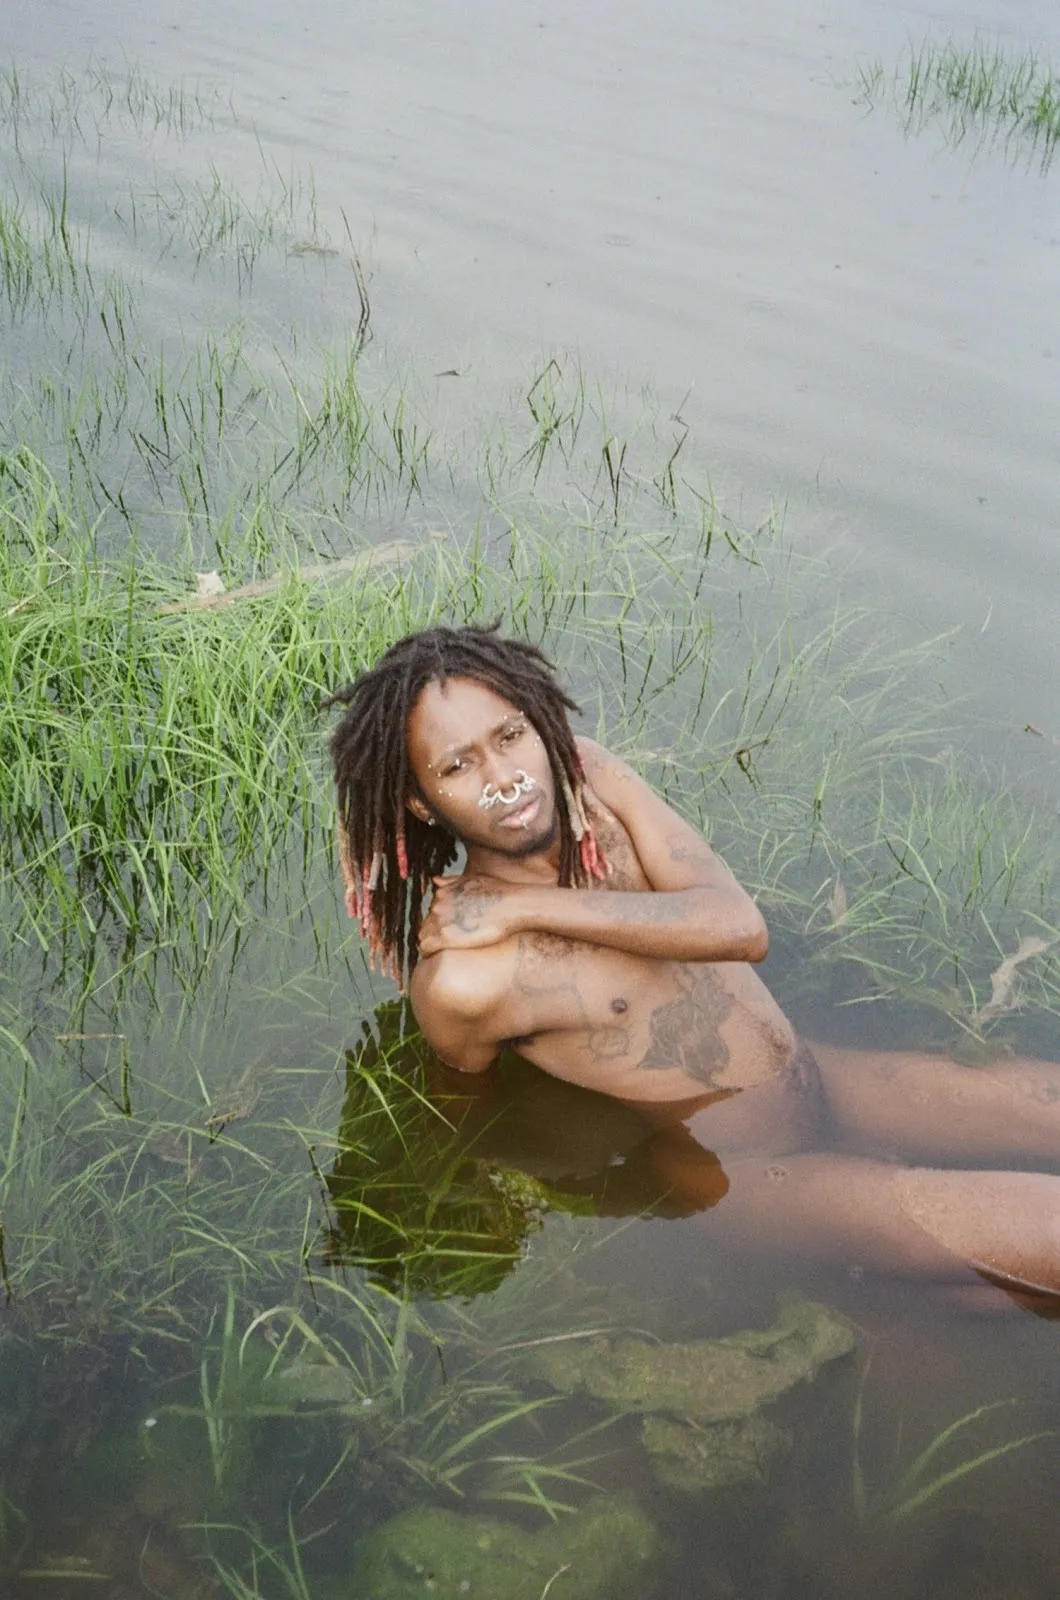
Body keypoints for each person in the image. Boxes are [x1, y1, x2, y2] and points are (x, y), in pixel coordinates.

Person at [324, 624, 1060, 1309]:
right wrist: (597, 1189)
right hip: (738, 1173)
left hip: (815, 1074)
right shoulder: (464, 981)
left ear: (541, 724)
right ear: (422, 804)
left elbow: (737, 925)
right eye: (458, 766)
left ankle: (920, 1293)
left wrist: (524, 908)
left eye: (511, 735)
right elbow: (471, 1124)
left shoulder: (592, 780)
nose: (505, 778)